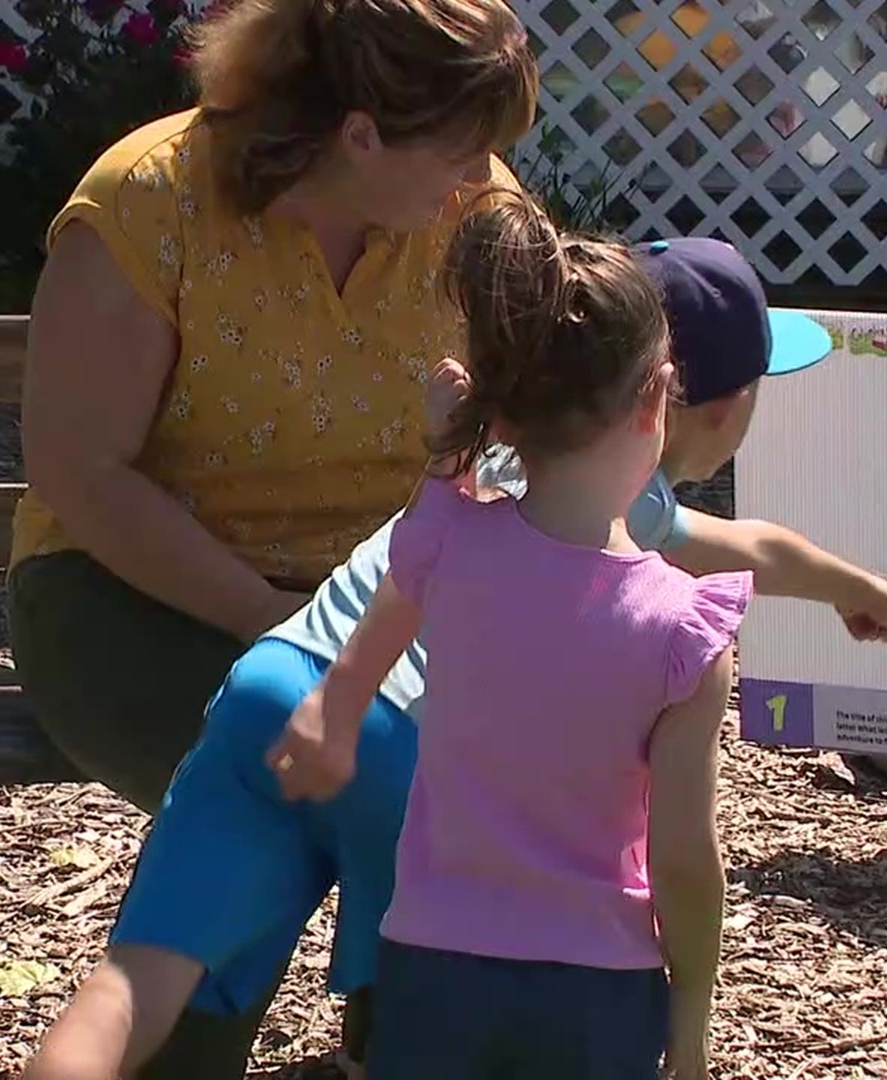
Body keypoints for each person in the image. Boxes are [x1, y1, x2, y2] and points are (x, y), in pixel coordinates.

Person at [20, 227, 887, 1079]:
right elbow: (749, 553)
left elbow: (420, 553)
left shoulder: (466, 480)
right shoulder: (630, 547)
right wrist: (856, 590)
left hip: (280, 681)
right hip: (403, 758)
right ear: (673, 398)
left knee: (132, 982)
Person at [6, 0, 539, 820]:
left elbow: (525, 417)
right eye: (463, 152)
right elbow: (80, 473)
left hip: (383, 595)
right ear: (361, 136)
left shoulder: (475, 211)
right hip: (131, 596)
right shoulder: (147, 202)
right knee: (344, 778)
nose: (482, 177)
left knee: (533, 757)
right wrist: (279, 622)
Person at [272, 191, 743, 1078]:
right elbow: (684, 859)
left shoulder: (446, 539)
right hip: (599, 992)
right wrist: (692, 1014)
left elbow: (374, 637)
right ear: (655, 403)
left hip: (432, 967)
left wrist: (333, 720)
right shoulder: (685, 632)